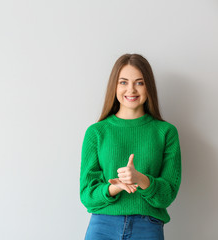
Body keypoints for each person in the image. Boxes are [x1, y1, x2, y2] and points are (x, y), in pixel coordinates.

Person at [79, 53, 182, 240]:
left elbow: (167, 194)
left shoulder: (166, 132)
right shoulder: (96, 132)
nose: (131, 90)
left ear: (148, 86)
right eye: (123, 82)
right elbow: (87, 194)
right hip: (102, 226)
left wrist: (140, 179)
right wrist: (117, 187)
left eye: (139, 83)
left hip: (147, 227)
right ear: (115, 86)